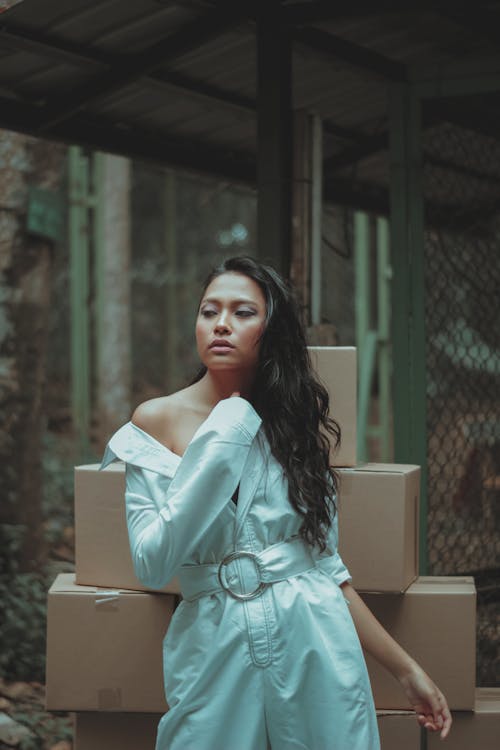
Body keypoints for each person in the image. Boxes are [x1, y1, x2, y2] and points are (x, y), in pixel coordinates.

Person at [100, 255, 452, 750]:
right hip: (212, 640)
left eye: (243, 312)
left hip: (313, 633)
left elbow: (327, 569)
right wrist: (229, 429)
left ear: (273, 329)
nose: (221, 324)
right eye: (209, 311)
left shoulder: (294, 426)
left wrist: (406, 669)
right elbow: (153, 563)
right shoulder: (157, 419)